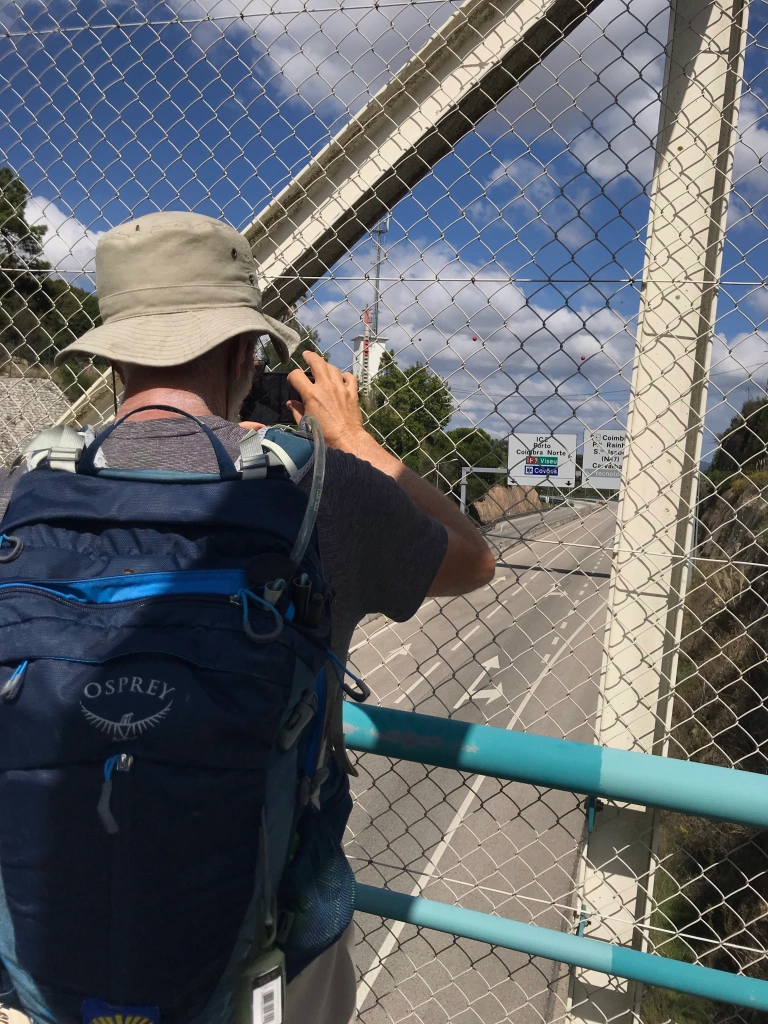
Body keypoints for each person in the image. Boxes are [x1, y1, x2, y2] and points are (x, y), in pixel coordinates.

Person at [0, 211, 495, 1024]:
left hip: (47, 948)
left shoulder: (20, 500)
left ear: (116, 352)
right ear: (247, 349)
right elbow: (475, 559)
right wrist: (352, 440)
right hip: (268, 959)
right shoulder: (327, 496)